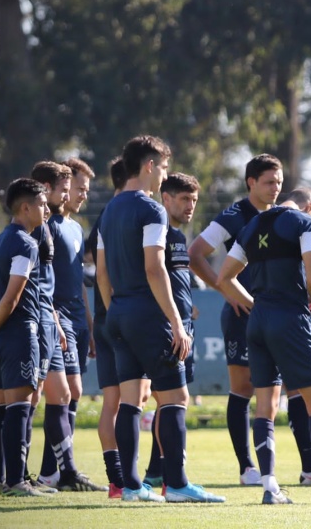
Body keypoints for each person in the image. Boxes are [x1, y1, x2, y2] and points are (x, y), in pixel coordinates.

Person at [217, 187, 311, 506]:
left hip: (257, 321)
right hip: (289, 317)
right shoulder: (304, 223)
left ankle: (270, 488)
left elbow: (224, 278)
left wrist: (253, 304)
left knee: (265, 407)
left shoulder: (251, 226)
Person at [96, 135, 223, 503]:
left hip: (117, 314)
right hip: (148, 316)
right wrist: (177, 323)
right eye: (164, 166)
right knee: (176, 397)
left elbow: (102, 273)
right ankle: (178, 484)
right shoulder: (150, 210)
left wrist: (116, 309)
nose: (165, 173)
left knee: (131, 401)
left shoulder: (109, 210)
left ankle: (132, 487)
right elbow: (155, 268)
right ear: (149, 165)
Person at [189, 154, 311, 487]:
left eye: (279, 182)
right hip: (244, 316)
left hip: (280, 315)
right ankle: (247, 468)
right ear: (251, 182)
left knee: (296, 387)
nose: (275, 188)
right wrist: (229, 295)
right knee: (245, 389)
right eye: (268, 182)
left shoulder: (287, 218)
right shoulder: (236, 217)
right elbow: (195, 254)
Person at [0, 178, 50, 497]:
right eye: (42, 204)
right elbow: (10, 298)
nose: (46, 210)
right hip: (18, 334)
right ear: (25, 207)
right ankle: (16, 482)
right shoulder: (26, 244)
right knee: (20, 407)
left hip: (0, 338)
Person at [37, 157, 105, 491]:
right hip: (54, 318)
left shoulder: (76, 229)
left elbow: (78, 281)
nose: (80, 196)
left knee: (71, 394)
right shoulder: (43, 225)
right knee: (64, 392)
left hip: (77, 320)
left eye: (84, 191)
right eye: (77, 188)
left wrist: (89, 325)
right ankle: (59, 471)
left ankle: (54, 471)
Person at [23, 161, 80, 495]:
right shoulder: (31, 231)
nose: (70, 195)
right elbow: (23, 282)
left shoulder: (49, 227)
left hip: (51, 319)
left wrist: (56, 321)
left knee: (61, 394)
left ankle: (63, 472)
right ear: (43, 188)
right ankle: (12, 475)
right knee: (26, 400)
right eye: (62, 190)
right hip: (35, 321)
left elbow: (47, 282)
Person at [142, 172, 201, 490]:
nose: (190, 206)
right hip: (167, 328)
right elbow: (152, 275)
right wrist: (174, 318)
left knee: (173, 401)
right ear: (166, 198)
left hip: (184, 327)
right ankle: (161, 473)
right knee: (171, 400)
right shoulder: (157, 232)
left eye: (194, 200)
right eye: (184, 199)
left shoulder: (177, 236)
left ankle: (156, 471)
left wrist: (187, 307)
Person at [87, 156, 130, 498]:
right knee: (132, 400)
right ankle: (129, 479)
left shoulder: (104, 216)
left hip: (104, 318)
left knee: (114, 402)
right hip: (121, 316)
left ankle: (118, 480)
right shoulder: (126, 213)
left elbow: (93, 262)